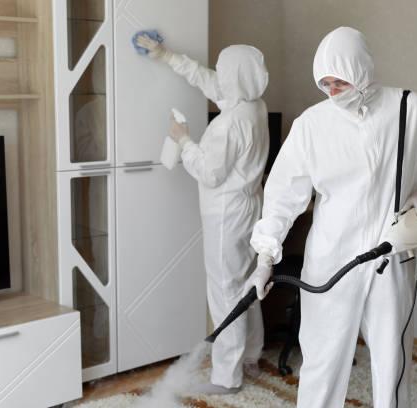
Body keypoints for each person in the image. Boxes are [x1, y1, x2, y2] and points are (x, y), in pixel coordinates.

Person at [244, 27, 417, 407]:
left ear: (361, 69)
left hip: (390, 258)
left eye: (339, 80)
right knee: (323, 361)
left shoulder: (411, 109)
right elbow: (282, 196)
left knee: (391, 361)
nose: (332, 90)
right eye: (325, 83)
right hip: (331, 260)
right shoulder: (312, 126)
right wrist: (265, 257)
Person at [135, 35, 270, 394]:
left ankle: (227, 376)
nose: (219, 77)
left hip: (226, 215)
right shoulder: (253, 105)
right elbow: (206, 79)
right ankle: (251, 356)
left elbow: (210, 173)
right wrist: (165, 55)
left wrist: (183, 140)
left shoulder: (229, 124)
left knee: (225, 292)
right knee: (246, 285)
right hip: (249, 208)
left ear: (234, 78)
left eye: (225, 72)